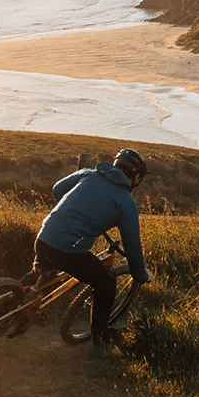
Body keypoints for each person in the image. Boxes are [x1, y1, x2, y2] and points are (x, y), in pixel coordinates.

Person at [36, 148, 152, 345]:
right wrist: (141, 275)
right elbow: (132, 246)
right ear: (137, 177)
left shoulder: (88, 174)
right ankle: (100, 336)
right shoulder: (125, 203)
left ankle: (7, 304)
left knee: (44, 270)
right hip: (67, 249)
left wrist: (78, 207)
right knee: (106, 283)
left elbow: (57, 190)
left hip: (44, 236)